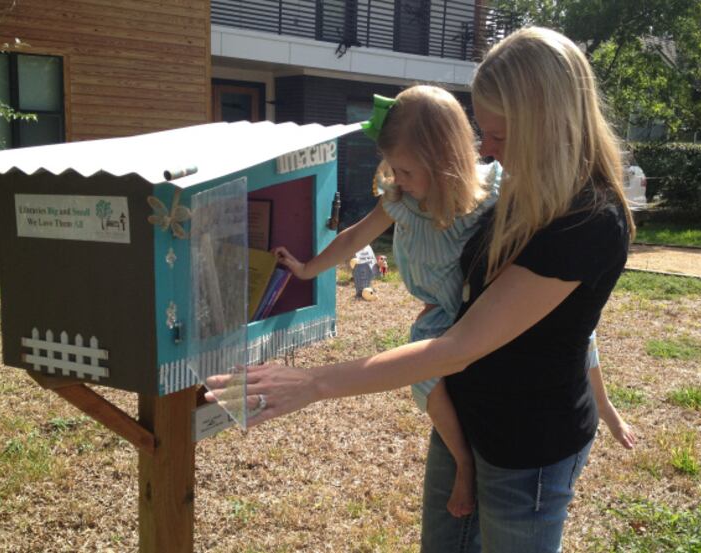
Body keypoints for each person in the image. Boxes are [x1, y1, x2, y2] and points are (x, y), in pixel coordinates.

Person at [209, 26, 635, 552]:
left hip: (528, 448)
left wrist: (315, 383)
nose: (487, 149)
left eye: (500, 133)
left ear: (550, 124)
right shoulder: (525, 190)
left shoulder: (586, 221)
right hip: (472, 415)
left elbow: (460, 346)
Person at [273, 84, 501, 516]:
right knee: (426, 384)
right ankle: (463, 460)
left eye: (408, 171)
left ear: (446, 161)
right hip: (438, 316)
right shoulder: (400, 200)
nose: (398, 179)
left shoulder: (490, 192)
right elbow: (355, 236)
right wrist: (307, 269)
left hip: (481, 311)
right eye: (393, 168)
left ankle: (471, 462)